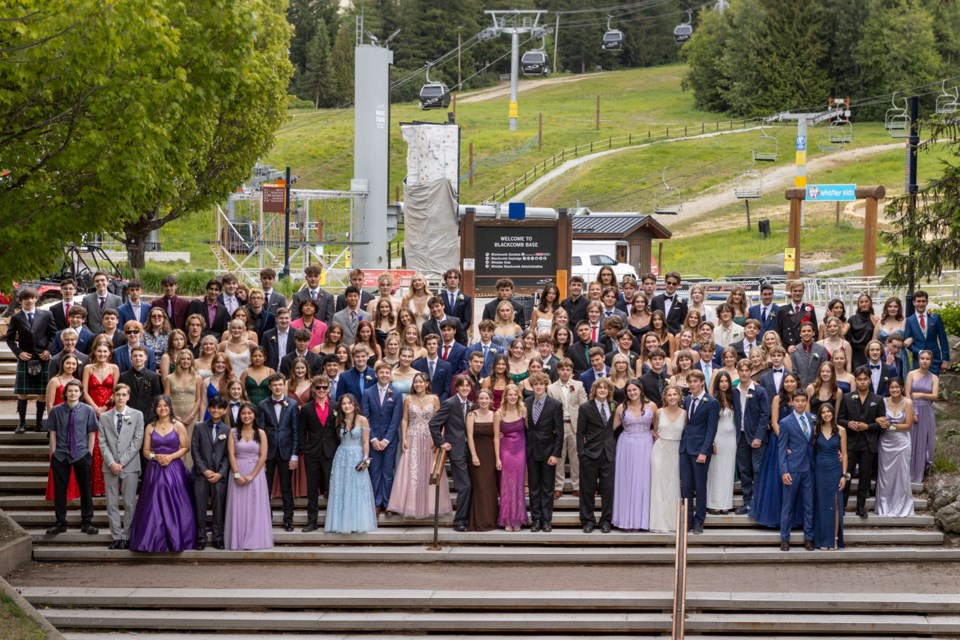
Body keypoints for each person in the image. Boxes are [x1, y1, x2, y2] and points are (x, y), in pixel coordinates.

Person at [128, 395, 196, 552]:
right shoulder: (150, 427)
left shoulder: (178, 425)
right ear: (155, 409)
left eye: (165, 405)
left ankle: (178, 538)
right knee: (153, 502)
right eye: (159, 406)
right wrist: (155, 457)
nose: (162, 408)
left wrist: (170, 457)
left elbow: (185, 447)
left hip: (175, 468)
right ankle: (152, 540)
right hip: (155, 469)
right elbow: (145, 451)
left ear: (170, 408)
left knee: (176, 499)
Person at [386, 372, 451, 518]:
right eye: (416, 382)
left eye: (421, 382)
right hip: (412, 436)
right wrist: (403, 438)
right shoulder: (408, 399)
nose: (418, 384)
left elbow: (441, 420)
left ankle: (430, 506)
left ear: (427, 383)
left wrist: (439, 439)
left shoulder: (434, 398)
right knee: (411, 470)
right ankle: (408, 505)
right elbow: (404, 419)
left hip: (430, 438)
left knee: (428, 468)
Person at [44, 380, 99, 536]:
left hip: (82, 454)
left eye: (76, 391)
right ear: (65, 393)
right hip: (61, 455)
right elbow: (53, 432)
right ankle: (60, 522)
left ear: (81, 393)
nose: (73, 393)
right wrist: (54, 452)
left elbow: (91, 433)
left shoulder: (88, 411)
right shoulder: (56, 411)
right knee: (60, 491)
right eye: (70, 391)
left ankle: (87, 522)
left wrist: (89, 453)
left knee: (85, 490)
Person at [751, 373, 803, 529]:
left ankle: (796, 518)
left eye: (792, 381)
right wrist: (785, 442)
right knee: (777, 480)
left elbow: (805, 422)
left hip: (798, 445)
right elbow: (774, 423)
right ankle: (777, 517)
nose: (789, 384)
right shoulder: (777, 399)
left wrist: (795, 443)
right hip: (779, 443)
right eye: (786, 381)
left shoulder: (802, 399)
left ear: (797, 382)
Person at [98, 384, 144, 550]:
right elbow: (102, 442)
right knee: (111, 502)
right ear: (113, 396)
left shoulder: (137, 415)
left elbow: (137, 441)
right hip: (109, 466)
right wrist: (111, 462)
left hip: (130, 465)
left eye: (124, 395)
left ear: (128, 397)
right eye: (118, 395)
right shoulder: (104, 417)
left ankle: (127, 536)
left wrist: (122, 462)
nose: (121, 398)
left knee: (130, 502)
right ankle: (116, 536)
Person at [7, 288, 57, 434]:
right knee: (22, 393)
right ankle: (21, 424)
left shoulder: (47, 314)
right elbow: (9, 339)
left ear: (36, 298)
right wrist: (19, 353)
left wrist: (48, 350)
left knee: (42, 393)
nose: (29, 301)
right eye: (25, 298)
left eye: (32, 298)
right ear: (21, 301)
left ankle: (39, 423)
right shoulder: (16, 317)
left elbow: (53, 334)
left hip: (42, 358)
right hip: (25, 359)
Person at [325, 393, 378, 533]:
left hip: (357, 456)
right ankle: (341, 523)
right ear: (340, 407)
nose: (347, 406)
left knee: (357, 488)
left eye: (349, 403)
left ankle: (357, 523)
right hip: (341, 456)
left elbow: (366, 442)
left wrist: (365, 460)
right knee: (341, 489)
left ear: (354, 405)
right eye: (343, 403)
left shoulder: (362, 420)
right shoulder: (338, 420)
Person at [224, 401, 273, 550]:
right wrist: (237, 474)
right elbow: (231, 455)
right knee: (238, 507)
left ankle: (254, 540)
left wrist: (252, 475)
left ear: (254, 415)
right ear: (239, 416)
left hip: (256, 473)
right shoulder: (233, 432)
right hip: (238, 470)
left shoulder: (261, 433)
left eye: (249, 413)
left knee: (254, 506)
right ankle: (237, 540)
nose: (246, 416)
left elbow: (263, 456)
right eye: (243, 413)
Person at [428, 375, 474, 532]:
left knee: (472, 486)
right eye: (462, 386)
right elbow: (433, 423)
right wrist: (441, 442)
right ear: (457, 387)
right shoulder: (449, 403)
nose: (465, 388)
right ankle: (459, 521)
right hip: (456, 451)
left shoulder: (471, 404)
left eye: (468, 386)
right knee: (465, 486)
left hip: (471, 450)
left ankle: (469, 518)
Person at [837, 366, 884, 518]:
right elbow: (839, 419)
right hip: (850, 442)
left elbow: (882, 424)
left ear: (869, 380)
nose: (862, 382)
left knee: (865, 476)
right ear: (855, 381)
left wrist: (868, 426)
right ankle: (842, 505)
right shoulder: (847, 397)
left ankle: (861, 507)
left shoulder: (878, 400)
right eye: (859, 379)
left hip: (868, 443)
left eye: (865, 379)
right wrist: (848, 423)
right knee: (847, 474)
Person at [611, 378, 656, 531]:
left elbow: (657, 427)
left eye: (634, 390)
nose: (632, 393)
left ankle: (642, 521)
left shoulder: (652, 406)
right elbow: (610, 428)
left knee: (644, 481)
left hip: (646, 445)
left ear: (640, 390)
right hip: (626, 446)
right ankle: (625, 520)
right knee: (627, 480)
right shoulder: (621, 408)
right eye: (629, 390)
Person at [258, 373, 299, 532]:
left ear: (284, 385)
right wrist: (261, 456)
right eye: (274, 385)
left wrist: (294, 455)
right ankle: (265, 519)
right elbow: (260, 431)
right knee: (265, 487)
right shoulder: (262, 405)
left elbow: (296, 431)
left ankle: (288, 520)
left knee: (286, 488)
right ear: (270, 387)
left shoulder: (292, 404)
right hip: (268, 452)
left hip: (286, 452)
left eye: (280, 384)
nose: (277, 387)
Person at [188, 395, 230, 550]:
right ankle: (201, 537)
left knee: (219, 508)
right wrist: (205, 471)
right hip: (201, 476)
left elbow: (228, 454)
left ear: (224, 411)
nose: (216, 410)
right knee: (200, 507)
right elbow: (195, 451)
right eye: (213, 407)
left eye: (219, 407)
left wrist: (221, 473)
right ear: (208, 408)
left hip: (220, 476)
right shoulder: (199, 427)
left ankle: (218, 537)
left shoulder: (228, 430)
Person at [679, 370, 719, 534]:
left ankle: (699, 521)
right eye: (690, 382)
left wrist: (705, 451)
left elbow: (711, 429)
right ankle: (687, 520)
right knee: (686, 486)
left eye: (696, 381)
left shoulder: (711, 402)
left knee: (700, 486)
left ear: (702, 382)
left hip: (700, 450)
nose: (693, 384)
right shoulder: (687, 400)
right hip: (685, 448)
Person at [299, 374, 339, 531]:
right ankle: (312, 522)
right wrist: (303, 451)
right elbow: (301, 432)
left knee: (333, 487)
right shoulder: (307, 409)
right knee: (312, 488)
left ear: (329, 389)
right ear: (313, 390)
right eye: (318, 387)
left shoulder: (336, 406)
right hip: (312, 453)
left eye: (324, 387)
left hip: (331, 452)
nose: (321, 390)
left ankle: (333, 521)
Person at [777, 390, 816, 552]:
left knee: (809, 505)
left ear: (806, 401)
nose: (800, 403)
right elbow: (781, 448)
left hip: (809, 467)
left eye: (803, 400)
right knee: (788, 506)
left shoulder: (813, 419)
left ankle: (809, 538)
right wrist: (784, 471)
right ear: (792, 402)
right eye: (797, 400)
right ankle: (785, 539)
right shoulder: (785, 422)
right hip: (792, 468)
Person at [362, 361, 403, 513]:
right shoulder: (368, 392)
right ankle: (376, 502)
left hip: (390, 441)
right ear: (376, 374)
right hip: (373, 440)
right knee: (374, 472)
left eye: (387, 372)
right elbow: (365, 417)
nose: (384, 375)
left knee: (388, 472)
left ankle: (388, 503)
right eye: (382, 372)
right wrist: (372, 439)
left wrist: (386, 440)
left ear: (390, 375)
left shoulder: (396, 393)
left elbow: (396, 419)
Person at [525, 373, 564, 532]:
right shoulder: (526, 402)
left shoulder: (555, 404)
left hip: (548, 452)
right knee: (534, 488)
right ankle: (536, 520)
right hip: (531, 450)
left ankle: (547, 520)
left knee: (547, 488)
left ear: (545, 385)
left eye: (541, 384)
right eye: (535, 384)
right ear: (532, 386)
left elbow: (560, 432)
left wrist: (555, 454)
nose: (538, 387)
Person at [875, 377, 915, 518]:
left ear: (902, 388)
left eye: (897, 387)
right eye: (892, 387)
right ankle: (884, 505)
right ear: (889, 389)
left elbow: (908, 425)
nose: (894, 390)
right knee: (886, 475)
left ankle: (901, 506)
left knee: (902, 474)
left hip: (902, 442)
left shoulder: (908, 403)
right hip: (885, 442)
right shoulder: (883, 401)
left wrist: (891, 426)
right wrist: (877, 420)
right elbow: (875, 416)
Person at [548, 359, 587, 499]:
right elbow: (550, 408)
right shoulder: (551, 388)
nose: (565, 372)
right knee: (559, 456)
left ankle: (576, 486)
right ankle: (558, 486)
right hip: (558, 426)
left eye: (568, 370)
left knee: (576, 457)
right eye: (562, 369)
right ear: (558, 370)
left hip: (574, 425)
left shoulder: (579, 385)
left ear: (571, 371)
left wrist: (584, 428)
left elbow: (584, 406)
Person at [650, 385, 686, 532]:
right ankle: (658, 522)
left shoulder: (685, 413)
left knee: (673, 485)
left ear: (679, 396)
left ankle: (673, 522)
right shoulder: (658, 412)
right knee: (659, 485)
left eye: (674, 394)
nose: (672, 397)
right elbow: (654, 429)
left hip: (676, 451)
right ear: (665, 397)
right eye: (669, 395)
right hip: (660, 450)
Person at [812, 402, 847, 550]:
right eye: (823, 412)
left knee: (836, 504)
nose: (826, 414)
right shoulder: (816, 429)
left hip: (835, 469)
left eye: (829, 411)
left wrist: (844, 475)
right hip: (819, 469)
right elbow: (810, 449)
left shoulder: (841, 430)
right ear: (820, 415)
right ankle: (822, 540)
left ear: (833, 413)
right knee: (821, 504)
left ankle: (834, 539)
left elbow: (844, 454)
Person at [496, 384, 528, 532]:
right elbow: (496, 437)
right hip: (506, 450)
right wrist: (497, 458)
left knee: (519, 484)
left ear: (518, 396)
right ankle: (507, 519)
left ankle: (518, 518)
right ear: (505, 396)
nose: (513, 397)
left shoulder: (523, 410)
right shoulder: (499, 413)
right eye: (510, 394)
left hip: (520, 449)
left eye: (515, 394)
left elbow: (529, 431)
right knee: (507, 484)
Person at [466, 388, 499, 531]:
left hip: (490, 455)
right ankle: (479, 522)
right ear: (477, 400)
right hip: (477, 454)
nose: (484, 401)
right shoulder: (471, 415)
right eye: (481, 399)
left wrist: (498, 458)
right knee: (480, 487)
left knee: (490, 487)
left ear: (491, 400)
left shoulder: (495, 415)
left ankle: (491, 521)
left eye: (487, 398)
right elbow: (470, 437)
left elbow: (497, 436)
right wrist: (473, 455)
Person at [164, 349, 203, 468]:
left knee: (191, 444)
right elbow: (167, 398)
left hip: (191, 415)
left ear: (192, 361)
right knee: (176, 444)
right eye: (183, 359)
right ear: (178, 361)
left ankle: (190, 475)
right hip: (175, 416)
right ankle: (176, 474)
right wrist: (174, 415)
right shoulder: (170, 378)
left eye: (188, 359)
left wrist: (191, 416)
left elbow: (199, 399)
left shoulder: (197, 378)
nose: (185, 361)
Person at [906, 350, 939, 484]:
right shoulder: (911, 374)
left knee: (926, 441)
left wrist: (920, 395)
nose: (925, 361)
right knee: (912, 440)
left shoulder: (934, 377)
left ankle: (920, 473)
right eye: (922, 358)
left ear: (931, 361)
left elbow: (935, 396)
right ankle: (907, 473)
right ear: (918, 360)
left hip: (927, 411)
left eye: (927, 359)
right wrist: (913, 412)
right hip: (912, 409)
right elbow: (907, 394)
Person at [705, 371, 736, 514]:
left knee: (727, 471)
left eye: (726, 381)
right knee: (715, 471)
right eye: (721, 381)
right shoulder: (712, 400)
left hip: (731, 439)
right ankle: (713, 503)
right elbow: (710, 423)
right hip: (717, 438)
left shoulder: (733, 398)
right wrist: (711, 442)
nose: (724, 383)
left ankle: (725, 504)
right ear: (717, 383)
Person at [776, 280, 819, 350]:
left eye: (800, 291)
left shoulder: (809, 309)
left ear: (803, 292)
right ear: (791, 292)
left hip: (805, 347)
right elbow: (778, 333)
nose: (797, 293)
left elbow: (815, 331)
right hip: (789, 348)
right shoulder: (782, 310)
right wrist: (785, 348)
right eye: (795, 291)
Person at [414, 334, 453, 403]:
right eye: (429, 344)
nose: (431, 346)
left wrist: (438, 403)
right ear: (425, 346)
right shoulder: (417, 365)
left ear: (438, 345)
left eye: (434, 344)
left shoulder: (447, 366)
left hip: (440, 404)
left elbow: (447, 388)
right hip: (421, 403)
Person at [790, 322, 829, 388]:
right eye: (804, 331)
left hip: (817, 387)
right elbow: (793, 372)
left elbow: (824, 369)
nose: (806, 333)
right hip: (800, 389)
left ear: (813, 333)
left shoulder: (822, 350)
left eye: (809, 331)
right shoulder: (794, 350)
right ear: (800, 334)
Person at [846, 294, 878, 371]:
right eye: (861, 302)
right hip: (854, 352)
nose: (864, 304)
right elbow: (847, 338)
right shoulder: (852, 319)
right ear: (858, 304)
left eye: (866, 301)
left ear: (870, 303)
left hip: (868, 351)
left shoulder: (875, 319)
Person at [441, 268, 473, 336]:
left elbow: (467, 320)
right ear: (446, 280)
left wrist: (457, 331)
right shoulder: (439, 298)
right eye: (450, 277)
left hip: (460, 336)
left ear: (459, 281)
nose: (452, 280)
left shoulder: (466, 298)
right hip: (443, 334)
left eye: (455, 278)